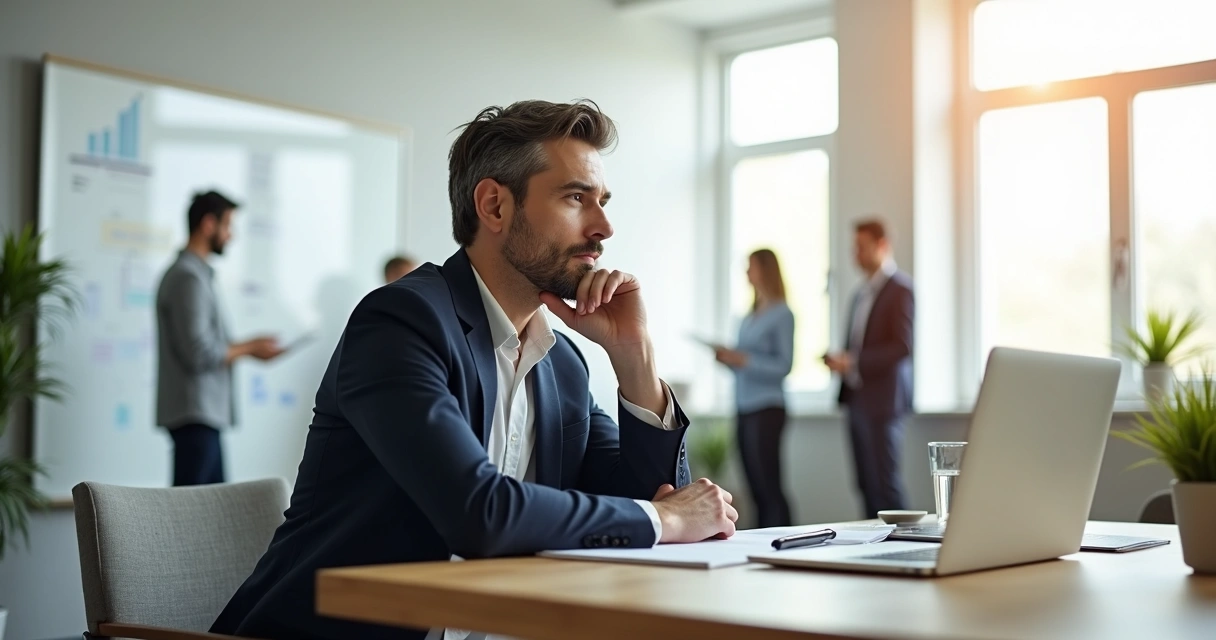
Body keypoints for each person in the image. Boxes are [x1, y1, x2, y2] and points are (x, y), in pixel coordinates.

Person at [211, 100, 737, 640]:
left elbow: (655, 502)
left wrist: (636, 360)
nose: (603, 227)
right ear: (494, 206)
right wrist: (669, 520)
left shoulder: (562, 364)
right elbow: (479, 512)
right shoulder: (400, 322)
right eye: (575, 197)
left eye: (601, 201)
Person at [155, 190, 284, 486]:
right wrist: (251, 348)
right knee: (192, 517)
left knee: (210, 514)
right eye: (228, 226)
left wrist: (250, 347)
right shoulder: (188, 277)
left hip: (201, 415)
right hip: (195, 415)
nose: (232, 236)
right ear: (208, 224)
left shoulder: (195, 274)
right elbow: (199, 352)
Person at [824, 219, 915, 518]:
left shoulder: (900, 289)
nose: (856, 255)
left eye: (861, 247)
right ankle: (871, 552)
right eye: (854, 248)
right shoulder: (860, 294)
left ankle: (902, 553)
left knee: (885, 485)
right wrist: (843, 361)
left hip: (884, 402)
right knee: (865, 485)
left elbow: (902, 346)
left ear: (882, 246)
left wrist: (854, 361)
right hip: (857, 400)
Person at [712, 249, 795, 528]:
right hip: (744, 405)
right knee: (754, 484)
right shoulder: (748, 316)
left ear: (766, 270)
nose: (747, 272)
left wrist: (743, 359)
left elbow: (783, 366)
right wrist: (729, 359)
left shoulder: (782, 314)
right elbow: (743, 362)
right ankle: (762, 539)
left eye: (751, 267)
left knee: (769, 483)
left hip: (768, 407)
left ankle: (784, 537)